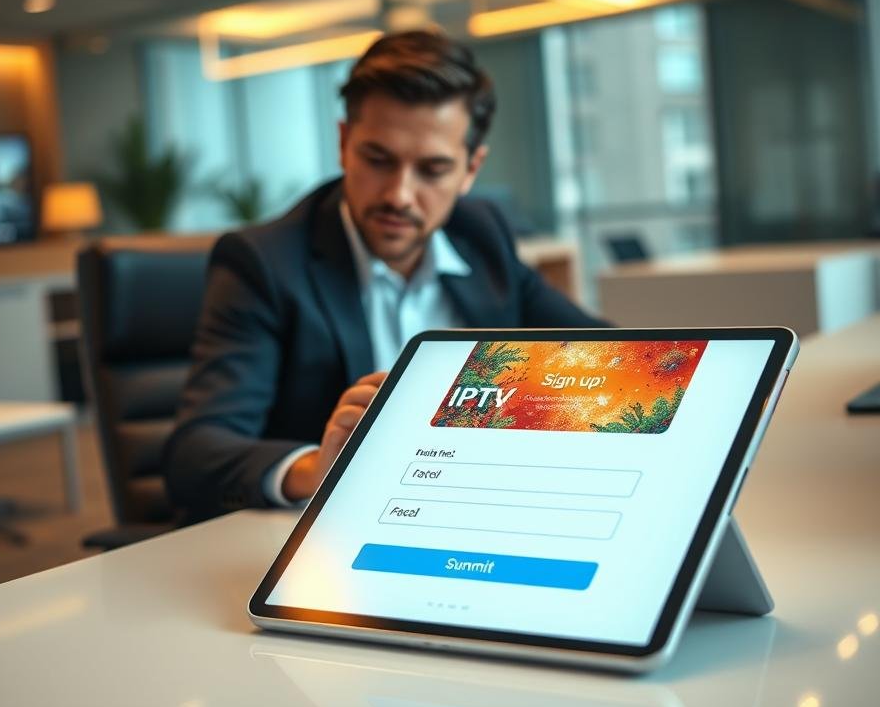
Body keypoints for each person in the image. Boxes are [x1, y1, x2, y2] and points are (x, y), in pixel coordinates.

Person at [163, 30, 606, 524]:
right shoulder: (264, 262)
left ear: (470, 169)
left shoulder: (481, 235)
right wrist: (315, 468)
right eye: (378, 160)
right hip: (326, 534)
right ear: (343, 143)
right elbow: (195, 455)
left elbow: (610, 354)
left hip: (468, 511)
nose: (399, 194)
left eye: (433, 170)